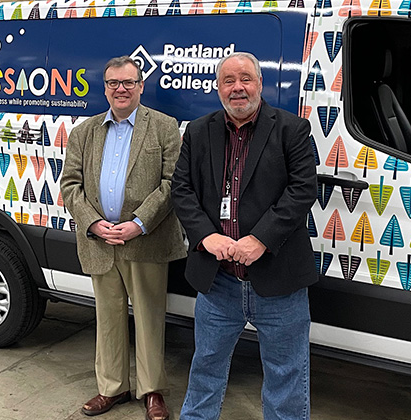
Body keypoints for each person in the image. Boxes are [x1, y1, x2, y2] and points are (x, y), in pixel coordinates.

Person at [171, 52, 318, 420]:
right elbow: (182, 190)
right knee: (205, 369)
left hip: (278, 281)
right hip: (218, 283)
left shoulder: (291, 129)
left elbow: (302, 191)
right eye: (228, 81)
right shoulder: (198, 131)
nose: (238, 88)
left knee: (287, 377)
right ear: (218, 88)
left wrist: (261, 240)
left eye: (245, 79)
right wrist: (206, 236)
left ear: (260, 83)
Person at [60, 56, 185, 420]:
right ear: (105, 88)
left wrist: (139, 223)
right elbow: (70, 184)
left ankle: (152, 392)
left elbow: (172, 183)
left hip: (145, 239)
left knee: (149, 317)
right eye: (113, 83)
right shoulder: (85, 132)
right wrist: (94, 223)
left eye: (128, 82)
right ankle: (111, 388)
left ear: (141, 86)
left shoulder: (163, 126)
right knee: (108, 316)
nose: (121, 89)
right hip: (100, 241)